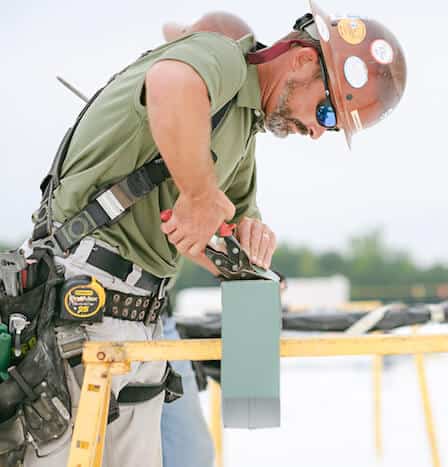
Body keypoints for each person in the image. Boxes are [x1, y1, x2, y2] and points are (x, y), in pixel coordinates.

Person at [21, 1, 406, 466]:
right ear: (304, 59)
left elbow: (227, 232)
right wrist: (200, 193)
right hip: (84, 303)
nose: (318, 132)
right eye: (327, 113)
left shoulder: (242, 129)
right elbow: (170, 82)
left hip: (136, 320)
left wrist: (250, 259)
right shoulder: (224, 58)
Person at [158, 12, 256, 467]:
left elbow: (225, 227)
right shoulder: (163, 114)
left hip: (156, 313)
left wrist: (251, 269)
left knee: (191, 454)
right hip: (111, 312)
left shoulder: (234, 136)